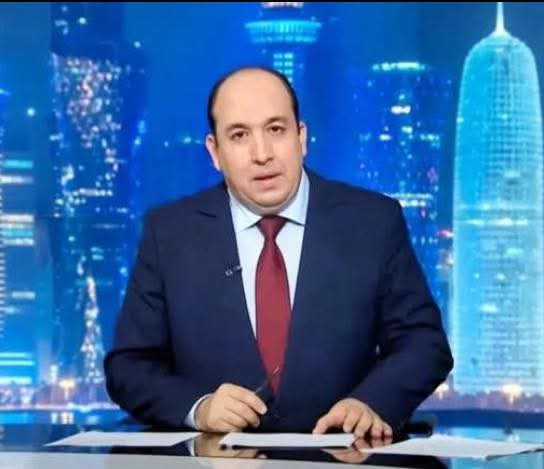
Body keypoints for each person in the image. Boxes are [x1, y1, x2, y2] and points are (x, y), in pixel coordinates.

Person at [104, 66, 453, 437]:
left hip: (342, 457)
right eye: (239, 135)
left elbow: (424, 344)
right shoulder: (170, 232)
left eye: (275, 130)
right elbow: (129, 367)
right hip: (216, 460)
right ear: (215, 152)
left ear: (301, 137)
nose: (262, 154)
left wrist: (371, 403)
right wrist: (199, 408)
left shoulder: (373, 222)